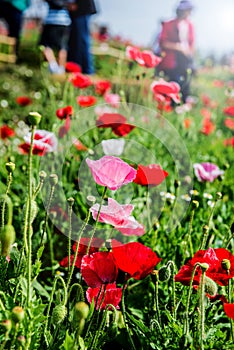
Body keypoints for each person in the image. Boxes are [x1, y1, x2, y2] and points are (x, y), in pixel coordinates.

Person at [156, 0, 195, 103]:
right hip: (172, 60)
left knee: (185, 84)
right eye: (186, 10)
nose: (188, 13)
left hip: (186, 60)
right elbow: (163, 43)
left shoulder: (190, 26)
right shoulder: (168, 24)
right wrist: (178, 47)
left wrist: (189, 51)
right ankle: (170, 106)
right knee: (172, 84)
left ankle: (183, 104)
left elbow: (191, 44)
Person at [39, 0, 71, 74]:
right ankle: (61, 70)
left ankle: (54, 67)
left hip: (51, 22)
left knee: (46, 46)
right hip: (64, 22)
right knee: (63, 47)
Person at [67, 0, 97, 75]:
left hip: (81, 9)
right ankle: (79, 68)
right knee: (76, 40)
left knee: (82, 40)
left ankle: (87, 69)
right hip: (78, 11)